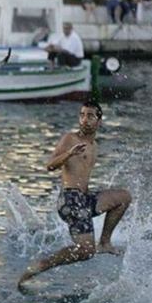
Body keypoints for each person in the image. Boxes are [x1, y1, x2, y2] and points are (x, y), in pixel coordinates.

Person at [18, 100, 132, 290]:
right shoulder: (70, 139)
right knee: (86, 251)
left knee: (123, 198)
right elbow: (50, 165)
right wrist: (69, 154)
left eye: (90, 116)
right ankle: (40, 266)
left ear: (99, 121)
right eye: (82, 115)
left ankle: (104, 242)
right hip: (70, 200)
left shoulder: (94, 145)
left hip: (84, 199)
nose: (84, 120)